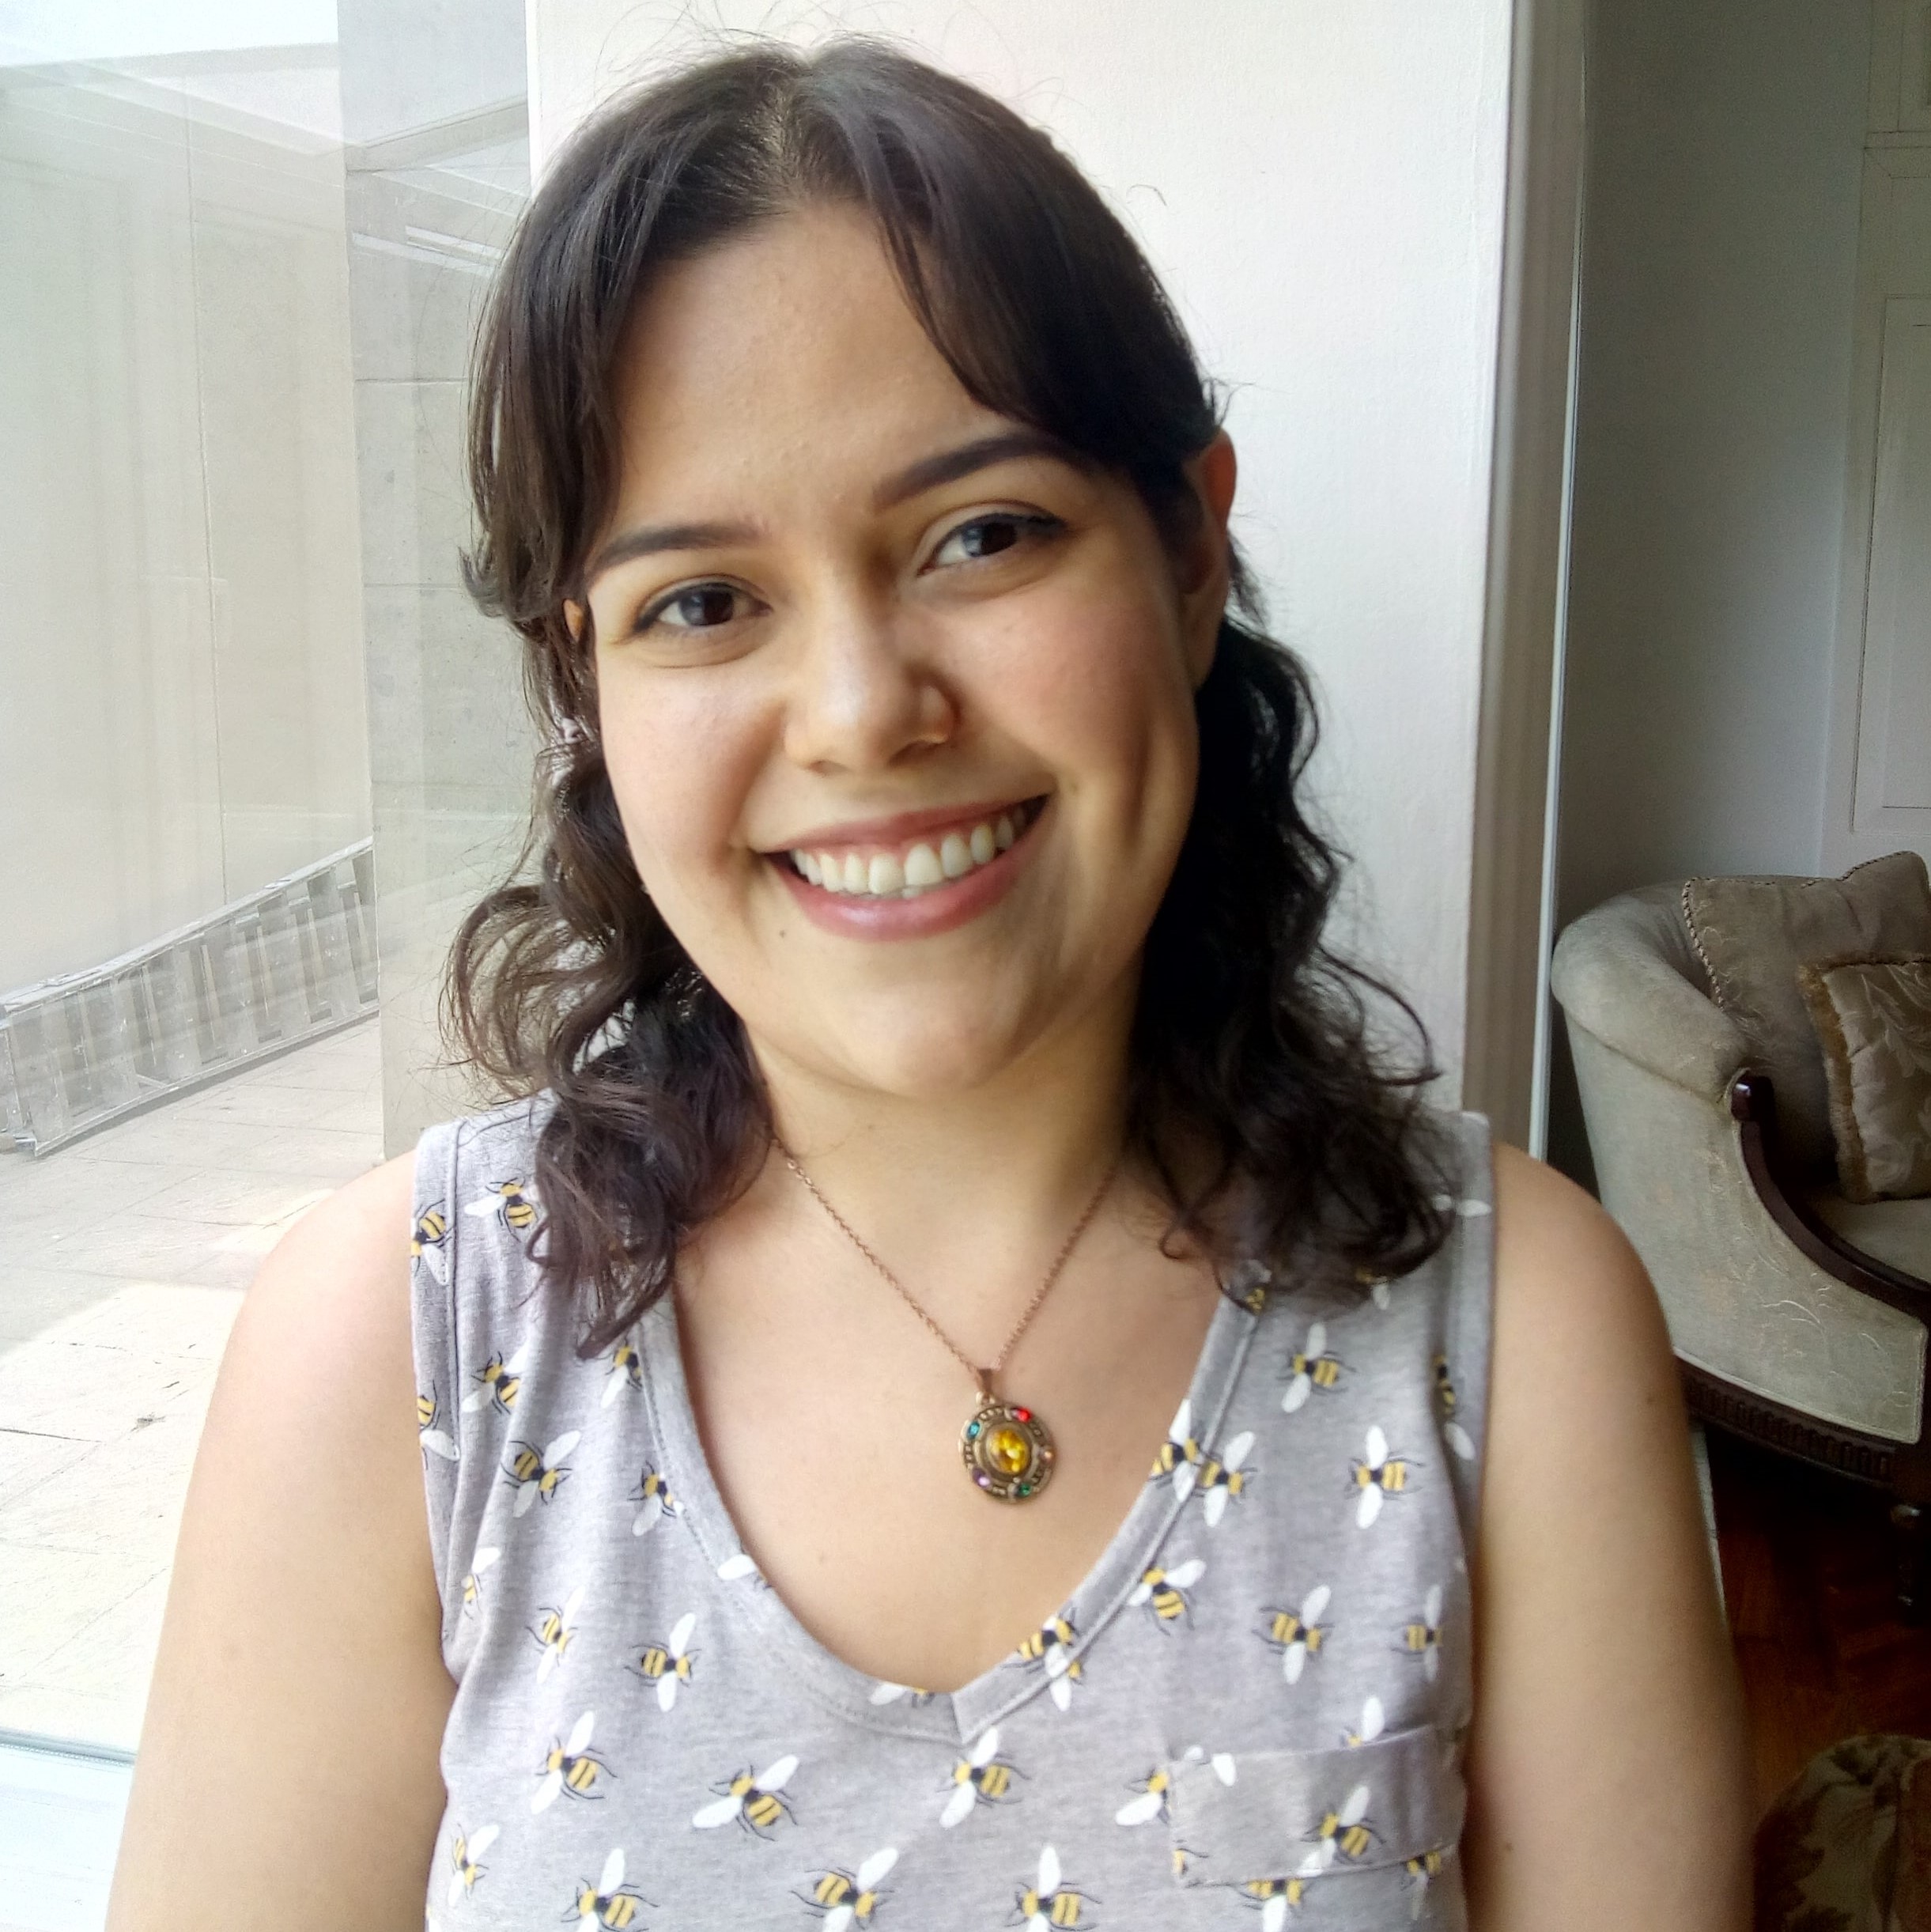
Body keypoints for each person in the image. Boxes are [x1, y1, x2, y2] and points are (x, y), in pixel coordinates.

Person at [107, 36, 1751, 1930]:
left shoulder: (1515, 1331)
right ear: (591, 688)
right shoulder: (392, 1352)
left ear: (1194, 547)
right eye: (702, 601)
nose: (868, 710)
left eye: (984, 534)